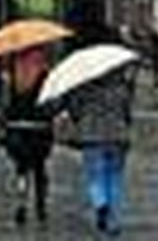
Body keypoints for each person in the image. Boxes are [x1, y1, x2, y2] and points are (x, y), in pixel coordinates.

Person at [61, 65, 136, 236]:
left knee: (95, 175)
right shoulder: (121, 88)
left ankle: (100, 204)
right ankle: (112, 218)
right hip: (118, 136)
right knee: (114, 177)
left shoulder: (84, 89)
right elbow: (127, 113)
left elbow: (75, 112)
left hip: (91, 137)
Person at [0, 47, 55, 225]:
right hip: (40, 129)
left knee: (21, 170)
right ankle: (41, 207)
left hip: (18, 129)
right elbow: (50, 103)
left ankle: (21, 202)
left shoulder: (13, 75)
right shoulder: (45, 75)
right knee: (40, 169)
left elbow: (7, 106)